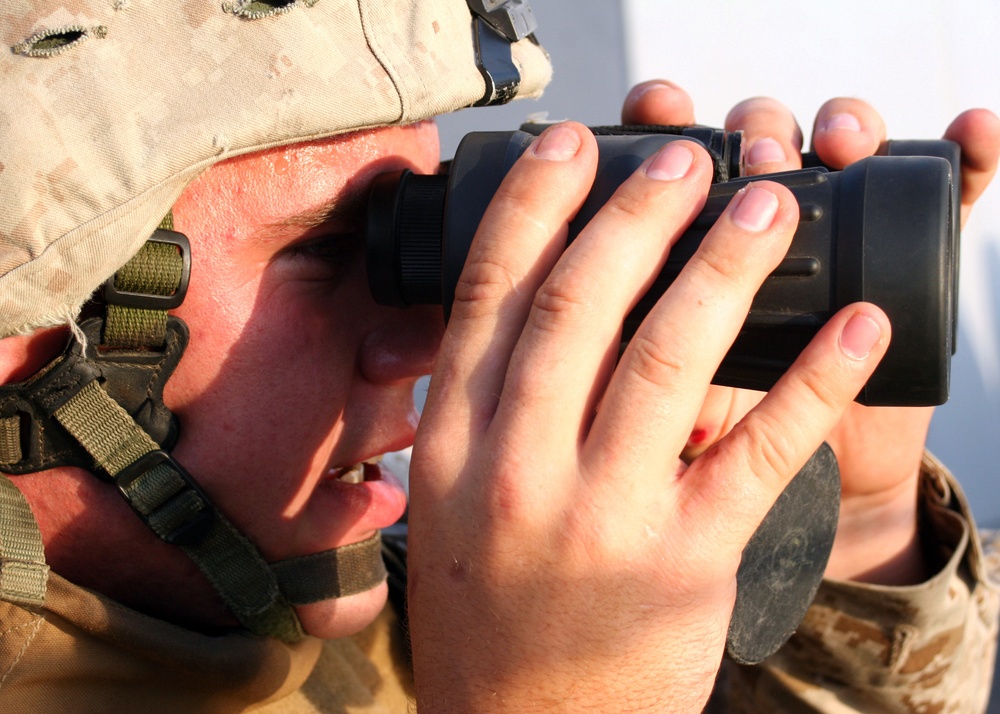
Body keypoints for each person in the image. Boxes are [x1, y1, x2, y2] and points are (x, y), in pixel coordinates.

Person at [0, 2, 997, 712]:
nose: (428, 342)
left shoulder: (419, 623)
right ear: (26, 328)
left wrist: (858, 528)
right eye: (321, 251)